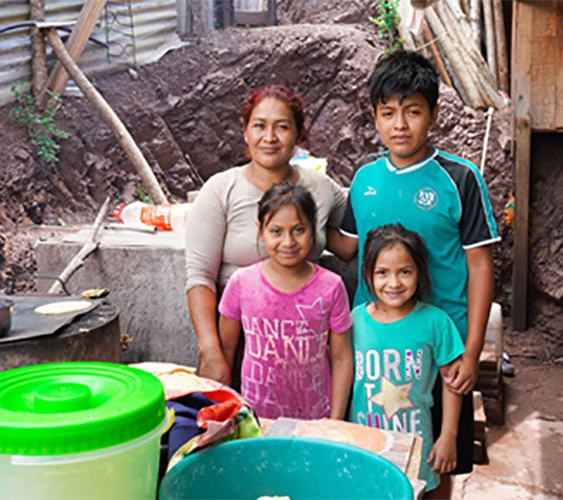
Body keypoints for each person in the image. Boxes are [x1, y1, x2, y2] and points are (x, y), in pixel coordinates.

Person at [328, 49, 499, 493]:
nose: (400, 125)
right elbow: (347, 245)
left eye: (413, 111)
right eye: (388, 113)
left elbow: (481, 265)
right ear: (374, 116)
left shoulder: (459, 179)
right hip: (375, 352)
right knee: (369, 463)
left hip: (444, 353)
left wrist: (473, 349)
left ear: (434, 114)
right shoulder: (364, 179)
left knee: (437, 466)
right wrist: (296, 213)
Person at [185, 84, 347, 386]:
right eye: (259, 126)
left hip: (305, 345)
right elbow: (199, 277)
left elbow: (350, 241)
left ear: (298, 135)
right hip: (237, 340)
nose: (269, 138)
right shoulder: (221, 190)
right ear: (245, 132)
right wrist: (211, 352)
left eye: (282, 127)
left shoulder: (323, 190)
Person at [217, 182, 353, 420]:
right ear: (260, 231)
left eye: (298, 230)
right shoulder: (241, 283)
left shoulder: (331, 286)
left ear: (313, 230)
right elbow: (226, 351)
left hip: (316, 418)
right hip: (257, 419)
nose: (288, 242)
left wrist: (336, 420)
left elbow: (342, 357)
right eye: (276, 231)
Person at [349, 224, 464, 494]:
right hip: (365, 444)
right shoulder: (354, 321)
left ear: (419, 273)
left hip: (416, 445)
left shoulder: (436, 322)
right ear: (368, 274)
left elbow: (452, 382)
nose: (394, 283)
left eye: (405, 272)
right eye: (382, 273)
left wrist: (448, 436)